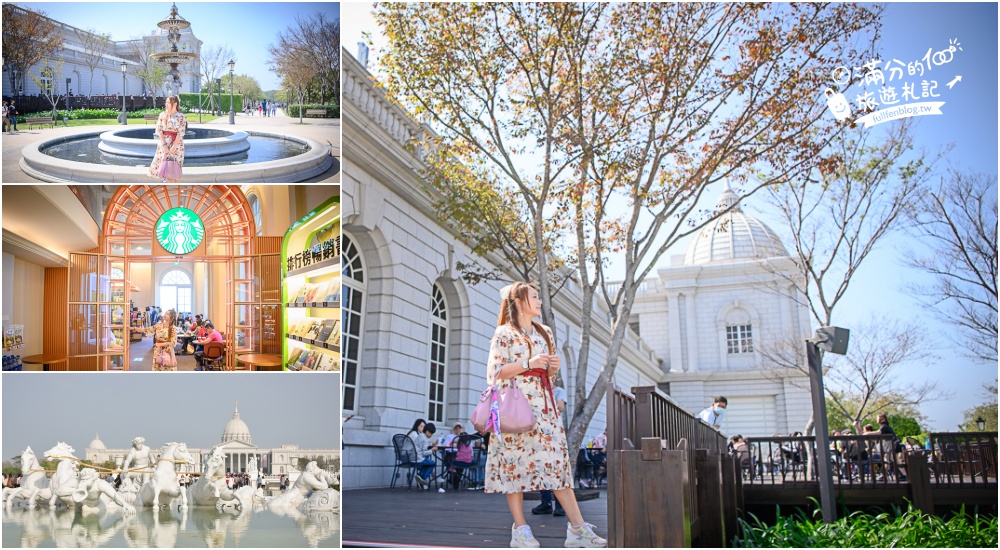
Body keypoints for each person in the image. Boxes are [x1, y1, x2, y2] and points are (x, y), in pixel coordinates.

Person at [486, 282, 606, 548]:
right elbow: (494, 372)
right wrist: (529, 363)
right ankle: (520, 530)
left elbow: (548, 375)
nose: (540, 301)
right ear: (518, 301)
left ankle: (577, 529)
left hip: (544, 408)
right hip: (514, 407)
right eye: (535, 297)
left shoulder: (545, 331)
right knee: (513, 466)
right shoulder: (503, 333)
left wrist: (552, 367)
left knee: (557, 464)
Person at [534, 379, 568, 517]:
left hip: (554, 434)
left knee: (556, 468)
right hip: (539, 433)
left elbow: (560, 407)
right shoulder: (537, 392)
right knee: (542, 468)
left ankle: (560, 505)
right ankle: (546, 503)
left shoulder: (559, 391)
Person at [148, 94, 187, 182]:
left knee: (175, 171)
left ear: (175, 104)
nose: (167, 104)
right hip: (163, 144)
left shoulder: (181, 116)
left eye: (169, 102)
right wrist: (165, 145)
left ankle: (175, 190)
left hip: (177, 146)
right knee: (165, 169)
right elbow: (159, 130)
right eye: (166, 102)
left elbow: (180, 133)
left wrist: (173, 147)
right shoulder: (163, 115)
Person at [413, 422, 438, 489]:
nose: (431, 435)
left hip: (414, 457)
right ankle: (422, 477)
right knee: (432, 463)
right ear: (427, 431)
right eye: (431, 433)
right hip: (419, 458)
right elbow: (424, 452)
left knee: (427, 463)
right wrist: (432, 450)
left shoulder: (420, 436)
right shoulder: (424, 439)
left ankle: (420, 477)